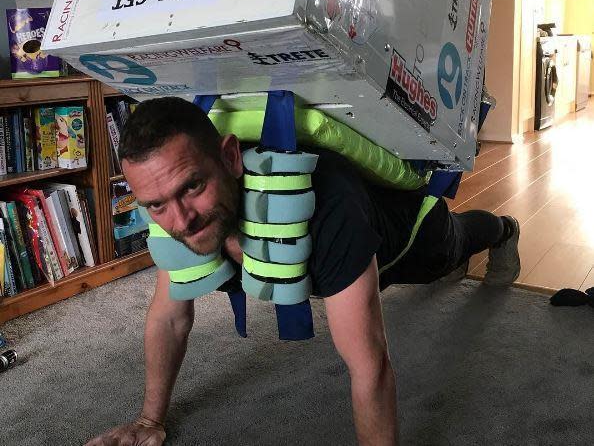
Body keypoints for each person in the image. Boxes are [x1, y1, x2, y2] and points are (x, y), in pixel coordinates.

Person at [86, 97, 520, 446]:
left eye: (193, 187)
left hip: (409, 236)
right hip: (340, 256)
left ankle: (504, 230)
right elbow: (169, 316)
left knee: (457, 241)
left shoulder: (329, 209)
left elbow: (371, 366)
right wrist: (148, 419)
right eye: (157, 204)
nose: (180, 220)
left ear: (231, 158)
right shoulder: (179, 219)